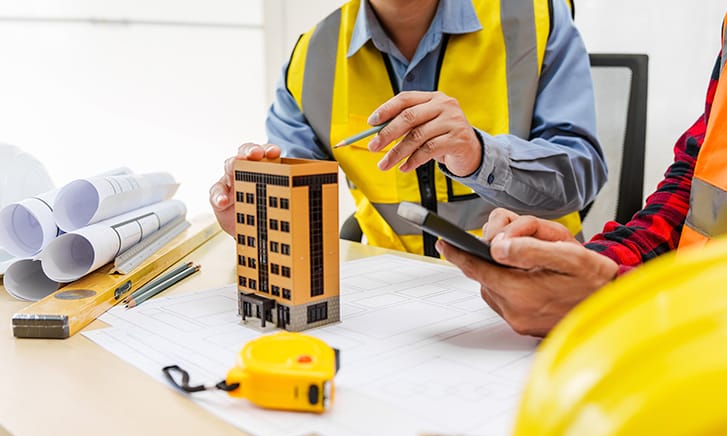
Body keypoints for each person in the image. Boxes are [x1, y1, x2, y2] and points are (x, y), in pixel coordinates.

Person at [210, 0, 606, 257]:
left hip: (534, 275)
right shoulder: (311, 57)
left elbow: (582, 175)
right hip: (394, 297)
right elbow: (295, 217)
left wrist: (479, 156)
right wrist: (258, 221)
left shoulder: (537, 18)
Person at [436, 37, 727, 337]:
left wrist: (617, 294)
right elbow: (691, 188)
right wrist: (588, 267)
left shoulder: (540, 15)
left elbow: (581, 171)